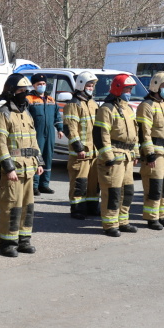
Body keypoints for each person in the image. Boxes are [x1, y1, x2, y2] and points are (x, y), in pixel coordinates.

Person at [0, 74, 44, 256]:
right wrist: (8, 168)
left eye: (26, 91)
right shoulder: (2, 113)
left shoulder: (26, 112)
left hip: (29, 169)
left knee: (27, 207)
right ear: (11, 92)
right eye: (21, 91)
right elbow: (0, 143)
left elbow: (33, 140)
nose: (24, 94)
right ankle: (8, 242)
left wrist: (39, 161)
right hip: (13, 171)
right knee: (11, 207)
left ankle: (24, 240)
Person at [93, 73, 139, 236]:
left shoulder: (127, 108)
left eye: (130, 89)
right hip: (113, 157)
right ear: (118, 89)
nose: (129, 92)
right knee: (112, 192)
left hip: (126, 157)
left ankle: (123, 221)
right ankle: (110, 224)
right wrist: (108, 157)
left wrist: (136, 152)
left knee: (127, 191)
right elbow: (101, 134)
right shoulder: (106, 109)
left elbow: (135, 132)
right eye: (127, 89)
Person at [136, 71, 164, 230]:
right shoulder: (146, 106)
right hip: (156, 154)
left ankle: (163, 215)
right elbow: (144, 132)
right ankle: (152, 218)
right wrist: (149, 154)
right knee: (154, 187)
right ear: (155, 86)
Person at [64, 71, 100, 221]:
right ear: (81, 85)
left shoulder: (92, 103)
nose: (91, 88)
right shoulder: (73, 104)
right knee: (80, 182)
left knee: (93, 183)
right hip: (81, 152)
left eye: (92, 85)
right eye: (88, 85)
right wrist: (78, 147)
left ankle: (92, 206)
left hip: (94, 152)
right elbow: (70, 128)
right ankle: (77, 208)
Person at [27, 73, 63, 195]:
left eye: (43, 84)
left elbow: (57, 115)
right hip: (36, 133)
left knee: (48, 157)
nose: (42, 86)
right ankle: (34, 185)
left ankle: (45, 184)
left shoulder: (51, 99)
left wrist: (60, 128)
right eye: (39, 84)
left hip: (50, 134)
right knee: (37, 157)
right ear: (34, 85)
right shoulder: (29, 99)